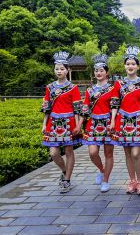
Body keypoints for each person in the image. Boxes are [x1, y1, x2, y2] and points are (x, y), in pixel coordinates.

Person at [111, 46, 140, 195]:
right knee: (128, 153)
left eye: (133, 64)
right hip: (123, 121)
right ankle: (132, 181)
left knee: (136, 153)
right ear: (125, 66)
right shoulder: (118, 84)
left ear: (137, 66)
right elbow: (115, 103)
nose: (130, 66)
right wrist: (112, 120)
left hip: (138, 120)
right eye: (128, 63)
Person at [41, 51, 82, 194]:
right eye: (57, 69)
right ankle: (64, 171)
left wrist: (77, 125)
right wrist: (44, 124)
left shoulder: (73, 88)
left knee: (69, 150)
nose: (59, 71)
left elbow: (77, 108)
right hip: (53, 123)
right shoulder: (50, 87)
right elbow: (46, 107)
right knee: (53, 153)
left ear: (67, 70)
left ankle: (67, 180)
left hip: (69, 122)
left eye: (62, 69)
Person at [79, 54, 119, 193]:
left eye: (101, 70)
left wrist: (113, 121)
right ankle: (101, 170)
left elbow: (115, 106)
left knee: (108, 153)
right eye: (96, 71)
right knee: (92, 152)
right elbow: (85, 108)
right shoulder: (90, 90)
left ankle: (106, 180)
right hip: (93, 123)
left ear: (106, 72)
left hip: (108, 122)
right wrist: (79, 124)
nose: (98, 73)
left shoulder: (112, 89)